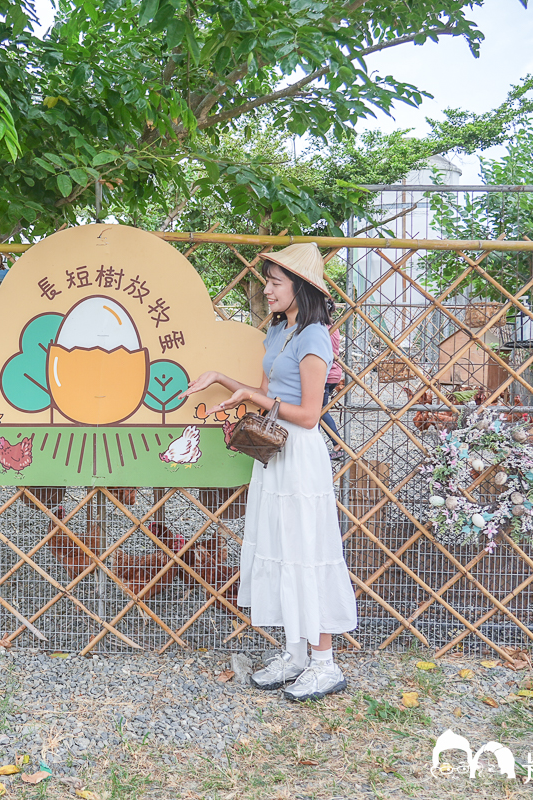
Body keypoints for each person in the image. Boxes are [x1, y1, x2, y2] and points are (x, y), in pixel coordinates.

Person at [182, 242, 357, 701]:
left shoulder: (316, 336)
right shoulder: (278, 333)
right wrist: (221, 378)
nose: (267, 289)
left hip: (299, 452)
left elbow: (309, 415)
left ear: (300, 288)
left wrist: (252, 399)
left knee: (305, 547)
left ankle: (325, 663)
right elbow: (263, 392)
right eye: (268, 280)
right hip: (273, 454)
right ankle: (295, 655)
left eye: (275, 282)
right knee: (280, 545)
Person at [323, 327, 345, 460]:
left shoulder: (318, 326)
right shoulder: (333, 326)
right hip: (335, 372)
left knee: (319, 411)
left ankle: (337, 442)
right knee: (320, 410)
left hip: (326, 373)